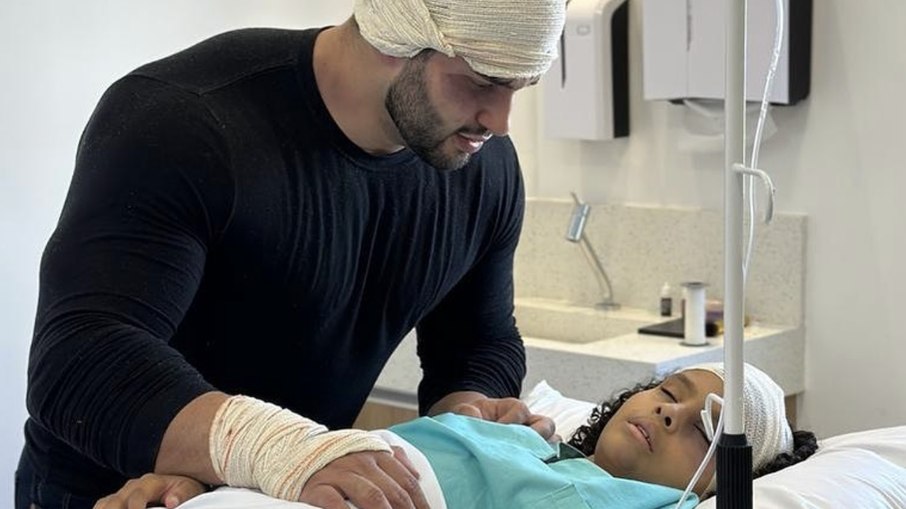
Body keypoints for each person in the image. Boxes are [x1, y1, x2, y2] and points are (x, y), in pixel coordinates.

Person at [17, 1, 568, 508]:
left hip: (288, 491)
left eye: (519, 87)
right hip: (118, 491)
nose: (500, 122)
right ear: (395, 35)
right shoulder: (186, 119)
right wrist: (283, 451)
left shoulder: (480, 167)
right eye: (479, 82)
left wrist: (466, 417)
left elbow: (478, 339)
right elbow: (80, 359)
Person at [94, 362, 819, 509]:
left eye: (707, 429)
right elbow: (319, 462)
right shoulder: (529, 438)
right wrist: (205, 476)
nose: (670, 412)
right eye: (671, 390)